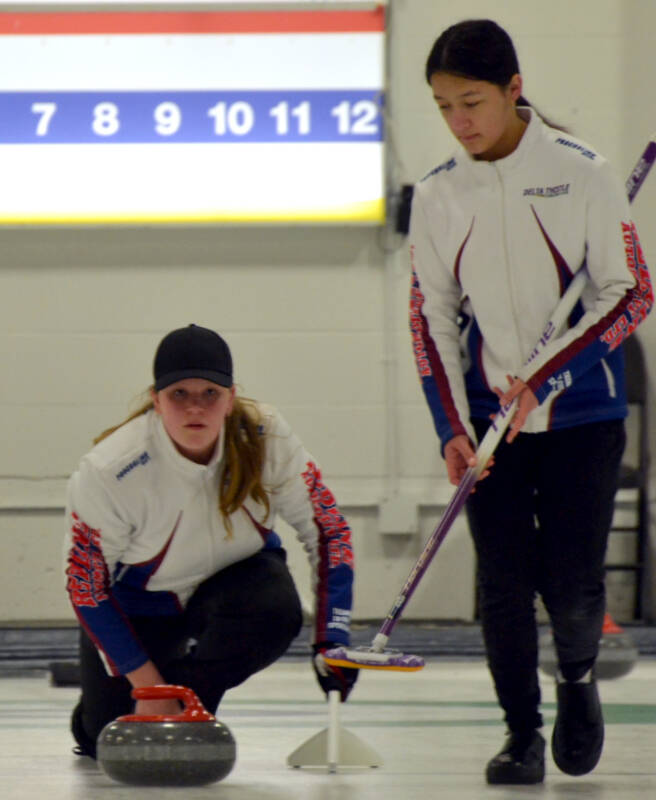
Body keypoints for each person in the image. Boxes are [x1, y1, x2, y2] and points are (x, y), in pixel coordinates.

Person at [409, 19, 651, 786]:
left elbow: (630, 293)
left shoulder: (585, 172)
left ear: (515, 90)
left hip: (582, 418)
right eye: (444, 107)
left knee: (571, 581)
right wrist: (453, 425)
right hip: (492, 428)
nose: (460, 122)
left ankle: (578, 685)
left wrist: (547, 379)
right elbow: (430, 318)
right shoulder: (440, 193)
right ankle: (520, 731)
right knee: (503, 584)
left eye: (471, 101)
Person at [63, 324, 358, 757]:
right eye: (179, 394)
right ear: (155, 399)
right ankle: (129, 701)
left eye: (210, 393)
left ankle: (190, 699)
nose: (195, 408)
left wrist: (333, 639)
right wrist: (147, 686)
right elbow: (85, 587)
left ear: (231, 397)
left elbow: (328, 529)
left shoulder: (266, 437)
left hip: (237, 586)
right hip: (143, 605)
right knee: (103, 738)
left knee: (276, 611)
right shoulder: (110, 470)